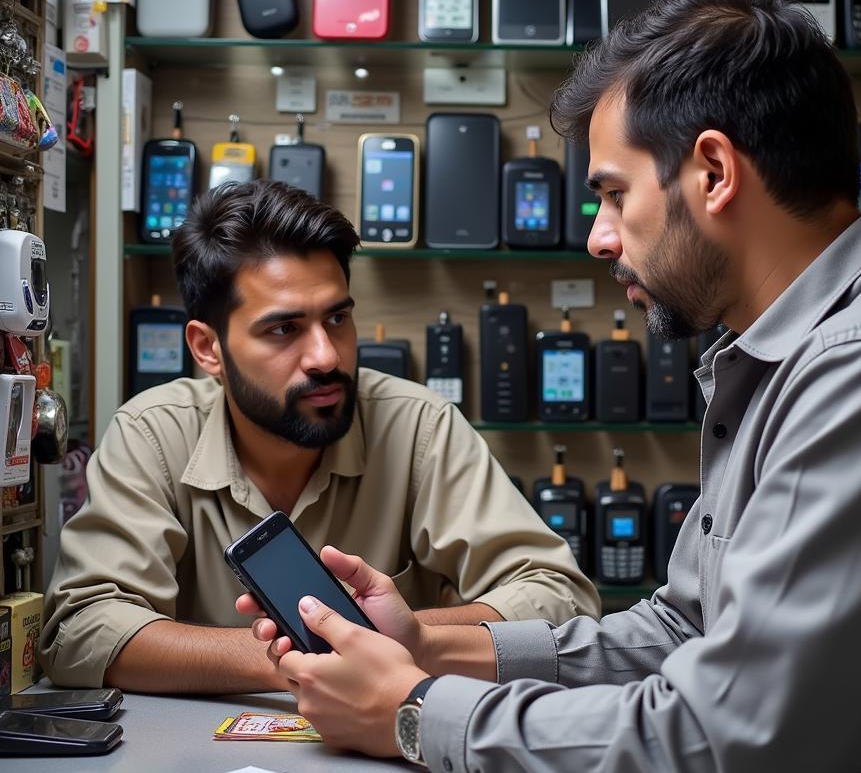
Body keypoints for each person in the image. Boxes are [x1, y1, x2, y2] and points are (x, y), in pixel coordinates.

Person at [241, 0, 861, 773]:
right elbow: (683, 629)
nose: (598, 238)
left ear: (715, 172)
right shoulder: (793, 352)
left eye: (612, 195)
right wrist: (430, 646)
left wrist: (415, 713)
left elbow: (722, 753)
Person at [41, 180, 598, 693]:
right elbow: (80, 631)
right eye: (284, 329)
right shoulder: (152, 435)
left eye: (337, 319)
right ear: (208, 348)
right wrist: (308, 651)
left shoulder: (418, 425)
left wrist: (415, 635)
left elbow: (562, 600)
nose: (327, 356)